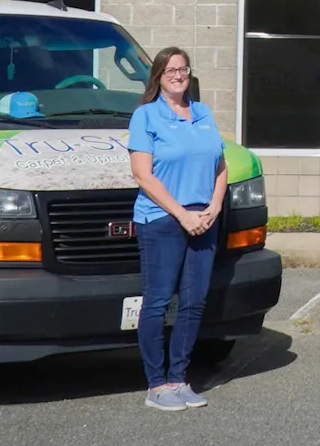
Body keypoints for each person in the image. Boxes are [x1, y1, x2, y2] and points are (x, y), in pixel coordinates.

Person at [127, 47, 229, 411]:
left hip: (203, 219)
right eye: (170, 70)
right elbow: (142, 174)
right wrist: (181, 214)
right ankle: (157, 385)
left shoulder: (202, 113)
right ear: (158, 75)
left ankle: (179, 379)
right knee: (156, 301)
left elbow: (220, 165)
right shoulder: (146, 116)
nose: (178, 75)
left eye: (183, 69)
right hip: (162, 219)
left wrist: (214, 206)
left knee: (193, 302)